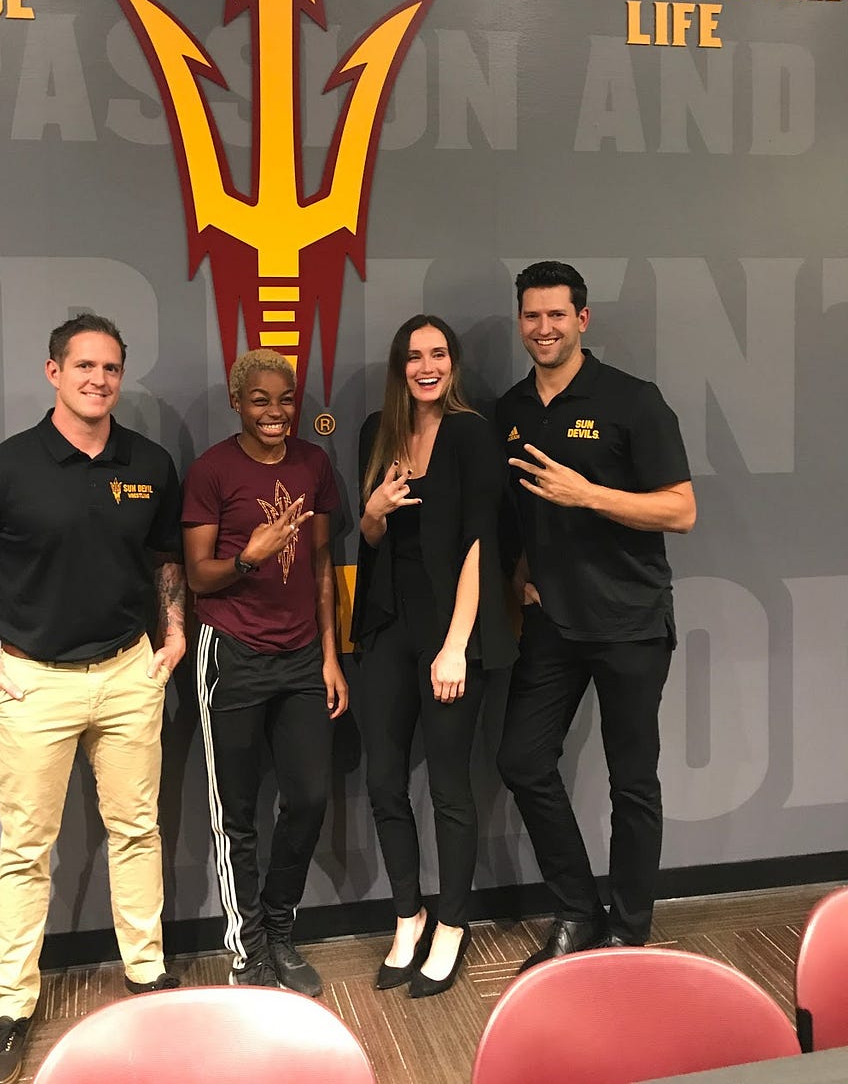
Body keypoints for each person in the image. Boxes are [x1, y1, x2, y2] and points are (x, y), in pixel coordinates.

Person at [0, 314, 186, 1084]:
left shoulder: (148, 462)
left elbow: (164, 559)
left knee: (137, 829)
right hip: (32, 680)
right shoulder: (1, 468)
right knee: (24, 851)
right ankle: (12, 1005)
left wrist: (172, 636)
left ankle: (145, 976)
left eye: (111, 367)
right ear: (54, 372)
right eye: (83, 365)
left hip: (126, 673)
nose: (98, 379)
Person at [495, 262, 696, 971]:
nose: (543, 327)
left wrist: (591, 495)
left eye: (556, 314)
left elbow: (681, 508)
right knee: (520, 759)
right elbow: (514, 513)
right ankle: (578, 909)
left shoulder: (632, 401)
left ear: (583, 319)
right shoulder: (512, 407)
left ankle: (628, 930)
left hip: (631, 622)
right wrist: (521, 576)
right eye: (531, 315)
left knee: (631, 782)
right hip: (554, 625)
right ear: (520, 321)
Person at [351, 315, 514, 998]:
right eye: (415, 355)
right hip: (387, 624)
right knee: (385, 782)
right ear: (399, 364)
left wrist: (455, 645)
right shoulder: (375, 431)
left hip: (452, 630)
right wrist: (377, 508)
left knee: (450, 787)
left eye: (438, 354)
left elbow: (482, 541)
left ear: (453, 363)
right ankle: (408, 914)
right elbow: (367, 532)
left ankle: (452, 923)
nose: (427, 365)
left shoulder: (473, 432)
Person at [182, 348, 349, 995]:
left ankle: (281, 929)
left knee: (308, 797)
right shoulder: (211, 470)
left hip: (305, 655)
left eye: (285, 398)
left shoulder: (314, 462)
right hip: (233, 654)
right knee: (237, 812)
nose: (276, 411)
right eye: (260, 399)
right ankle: (247, 948)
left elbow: (323, 562)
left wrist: (331, 654)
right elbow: (199, 575)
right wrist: (249, 557)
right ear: (237, 401)